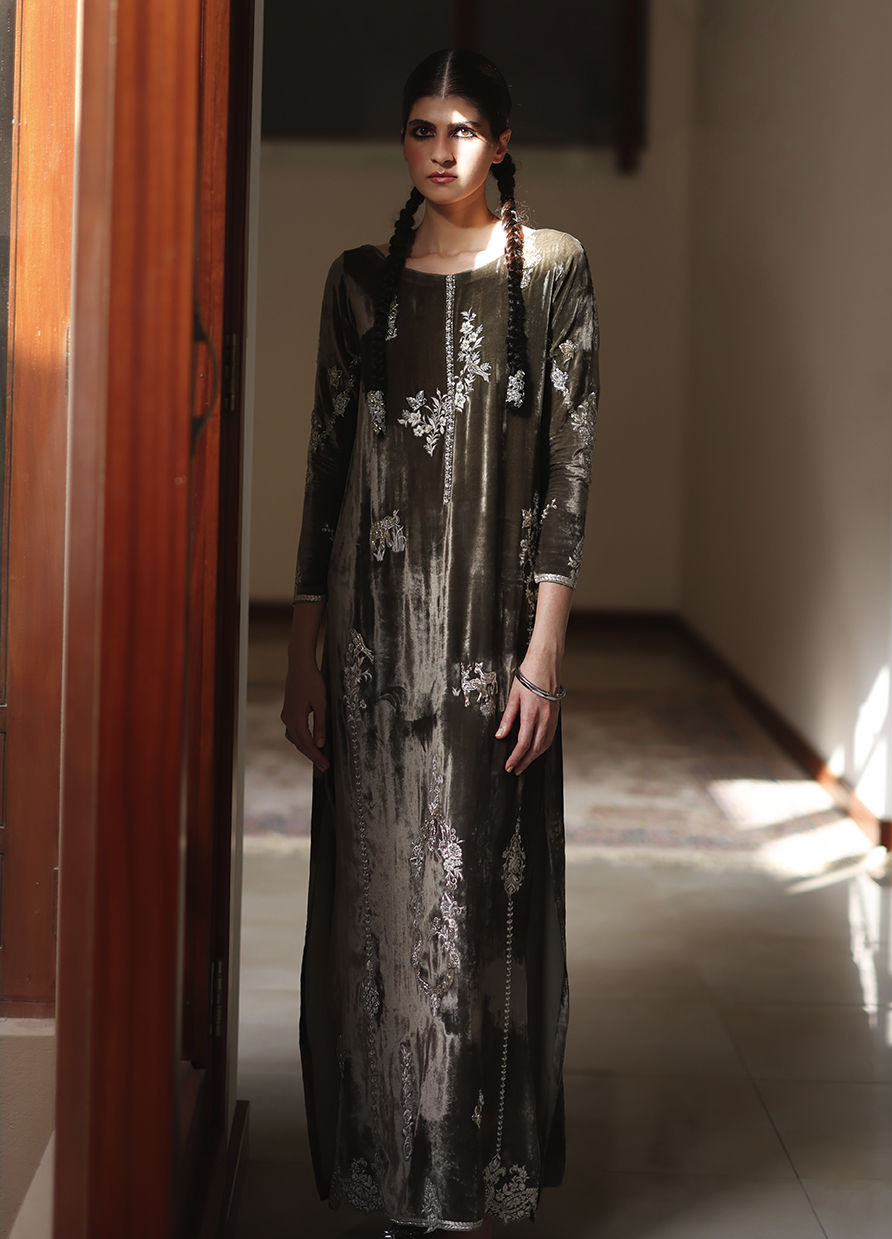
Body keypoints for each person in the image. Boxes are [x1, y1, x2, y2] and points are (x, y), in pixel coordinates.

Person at [282, 47, 599, 1238]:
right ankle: (392, 1177)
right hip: (372, 652)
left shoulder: (551, 269)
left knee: (469, 909)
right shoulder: (359, 283)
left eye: (463, 128)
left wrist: (543, 659)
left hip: (489, 650)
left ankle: (462, 1183)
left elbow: (569, 473)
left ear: (502, 143)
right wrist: (302, 655)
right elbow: (325, 471)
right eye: (423, 127)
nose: (441, 149)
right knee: (380, 902)